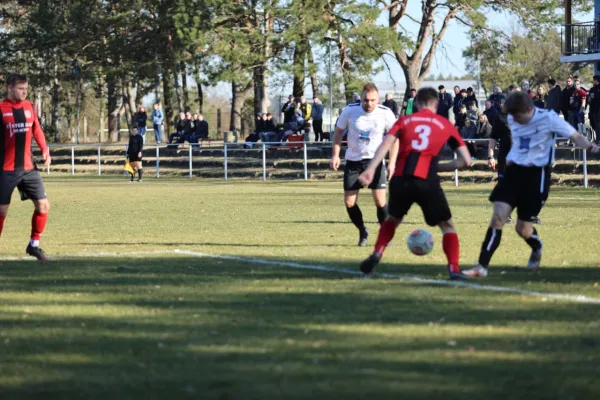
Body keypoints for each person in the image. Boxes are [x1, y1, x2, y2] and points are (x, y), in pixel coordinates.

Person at [463, 92, 600, 278]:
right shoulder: (512, 117)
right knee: (498, 217)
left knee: (522, 228)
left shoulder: (549, 118)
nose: (514, 120)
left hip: (537, 176)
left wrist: (590, 146)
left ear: (529, 110)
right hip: (513, 172)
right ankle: (482, 266)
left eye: (518, 116)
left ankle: (536, 246)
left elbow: (574, 135)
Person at [357, 87, 472, 280]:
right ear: (436, 104)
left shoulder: (404, 120)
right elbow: (465, 161)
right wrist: (438, 166)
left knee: (392, 219)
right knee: (447, 226)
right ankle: (453, 268)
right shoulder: (445, 124)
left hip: (401, 179)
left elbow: (385, 144)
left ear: (417, 103)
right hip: (427, 181)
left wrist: (370, 169)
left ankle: (377, 252)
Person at [330, 83, 399, 246]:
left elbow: (395, 138)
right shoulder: (350, 111)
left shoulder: (386, 113)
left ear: (378, 99)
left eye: (373, 100)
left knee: (380, 201)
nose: (369, 104)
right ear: (361, 99)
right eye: (366, 100)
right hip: (353, 162)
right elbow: (338, 131)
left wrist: (392, 163)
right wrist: (335, 155)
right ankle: (362, 230)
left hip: (375, 162)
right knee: (349, 203)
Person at [0, 73, 52, 261]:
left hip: (29, 168)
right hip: (6, 169)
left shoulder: (30, 106)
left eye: (26, 89)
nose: (24, 92)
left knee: (43, 205)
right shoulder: (1, 108)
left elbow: (36, 128)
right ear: (10, 88)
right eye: (20, 89)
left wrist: (45, 149)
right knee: (1, 211)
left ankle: (33, 245)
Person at [588, 75, 600, 143]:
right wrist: (590, 98)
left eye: (594, 80)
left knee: (598, 124)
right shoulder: (592, 89)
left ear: (597, 80)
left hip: (598, 110)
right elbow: (589, 99)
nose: (593, 81)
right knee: (593, 124)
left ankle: (598, 140)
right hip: (592, 110)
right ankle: (596, 138)